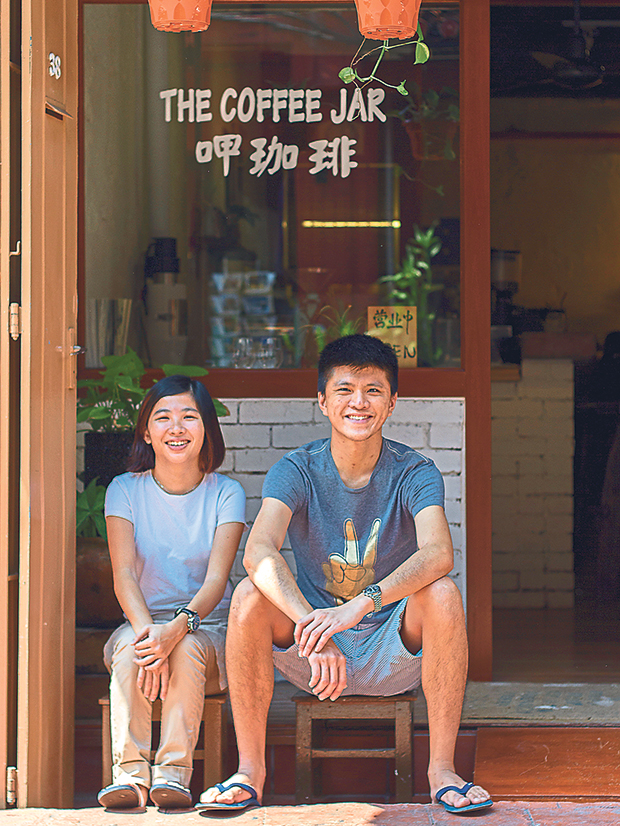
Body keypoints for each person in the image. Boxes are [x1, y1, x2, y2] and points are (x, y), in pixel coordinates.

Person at [199, 334, 492, 815]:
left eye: (374, 390)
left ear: (393, 401)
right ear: (322, 400)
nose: (359, 402)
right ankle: (250, 770)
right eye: (345, 390)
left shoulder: (414, 470)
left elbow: (439, 553)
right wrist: (316, 626)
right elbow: (258, 550)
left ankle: (442, 768)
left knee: (442, 593)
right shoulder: (297, 469)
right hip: (316, 656)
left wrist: (362, 605)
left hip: (391, 647)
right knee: (251, 595)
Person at [97, 375, 246, 812]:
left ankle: (173, 777)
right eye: (163, 417)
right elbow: (123, 574)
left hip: (209, 629)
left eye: (189, 417)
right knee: (130, 648)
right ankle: (129, 777)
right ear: (147, 431)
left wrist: (175, 632)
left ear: (206, 430)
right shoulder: (125, 490)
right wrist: (150, 634)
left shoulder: (226, 493)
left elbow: (216, 582)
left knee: (186, 649)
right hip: (142, 623)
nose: (176, 428)